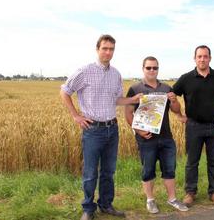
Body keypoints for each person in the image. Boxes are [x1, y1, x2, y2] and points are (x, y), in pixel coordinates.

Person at [60, 34, 142, 220]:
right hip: (93, 130)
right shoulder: (84, 71)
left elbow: (117, 100)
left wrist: (133, 100)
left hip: (112, 129)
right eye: (105, 48)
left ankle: (106, 205)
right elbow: (64, 91)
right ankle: (88, 209)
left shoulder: (116, 74)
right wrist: (76, 116)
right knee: (90, 172)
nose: (108, 52)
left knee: (108, 171)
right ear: (97, 49)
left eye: (111, 49)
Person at [125, 56, 189, 214]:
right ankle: (150, 200)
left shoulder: (167, 88)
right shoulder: (134, 89)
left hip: (166, 137)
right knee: (148, 170)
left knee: (169, 169)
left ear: (158, 69)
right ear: (143, 68)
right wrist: (139, 131)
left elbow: (175, 110)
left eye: (155, 68)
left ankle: (172, 199)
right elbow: (128, 112)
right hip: (146, 139)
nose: (152, 70)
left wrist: (174, 101)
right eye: (149, 68)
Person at [173, 45, 214, 208]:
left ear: (210, 58)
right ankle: (190, 193)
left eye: (205, 56)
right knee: (192, 161)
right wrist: (179, 115)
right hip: (193, 126)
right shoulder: (186, 78)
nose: (202, 59)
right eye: (199, 56)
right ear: (194, 58)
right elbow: (172, 97)